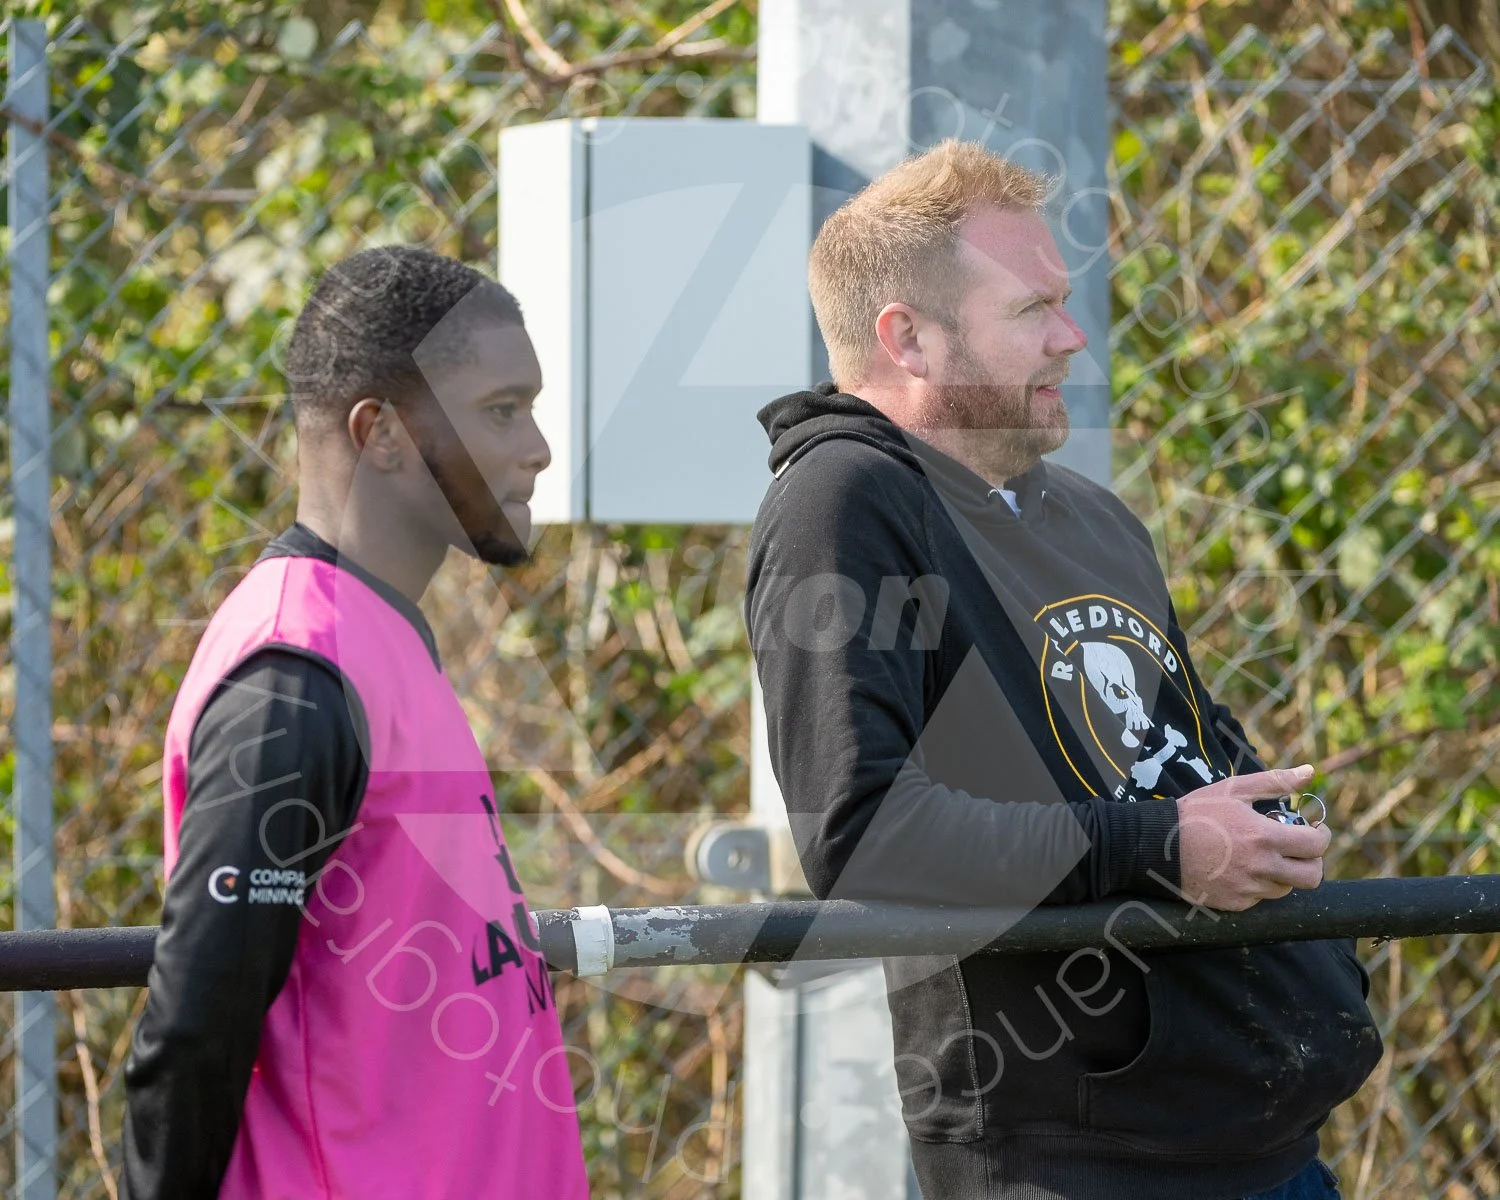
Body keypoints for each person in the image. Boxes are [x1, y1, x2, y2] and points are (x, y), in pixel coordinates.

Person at [745, 140, 1381, 1200]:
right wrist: (1161, 847)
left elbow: (1191, 755)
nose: (1072, 337)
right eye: (1032, 309)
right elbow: (860, 835)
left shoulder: (1090, 516)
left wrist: (1275, 849)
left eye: (1064, 302)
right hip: (1077, 1163)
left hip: (1265, 1142)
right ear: (907, 339)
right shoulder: (845, 503)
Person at [122, 245, 590, 1199]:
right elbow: (196, 1027)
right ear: (381, 434)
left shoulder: (379, 639)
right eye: (503, 411)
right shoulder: (295, 671)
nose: (539, 447)